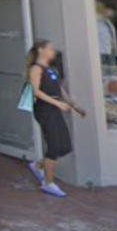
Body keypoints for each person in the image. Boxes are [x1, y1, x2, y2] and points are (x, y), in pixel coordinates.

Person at [26, 40, 87, 198]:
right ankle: (48, 183)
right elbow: (36, 91)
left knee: (65, 146)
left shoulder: (51, 70)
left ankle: (38, 165)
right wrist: (57, 104)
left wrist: (75, 106)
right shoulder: (36, 69)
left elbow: (61, 91)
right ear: (41, 50)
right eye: (50, 49)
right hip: (45, 109)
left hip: (55, 108)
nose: (53, 51)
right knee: (53, 145)